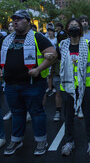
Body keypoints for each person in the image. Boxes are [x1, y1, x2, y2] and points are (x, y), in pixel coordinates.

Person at [0, 10, 57, 156]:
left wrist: (38, 69)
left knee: (37, 113)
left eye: (19, 19)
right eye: (13, 19)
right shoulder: (7, 39)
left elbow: (53, 54)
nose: (15, 21)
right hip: (11, 84)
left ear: (28, 21)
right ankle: (17, 140)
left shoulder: (37, 36)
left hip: (32, 84)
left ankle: (41, 140)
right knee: (17, 113)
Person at [58, 18, 90, 156]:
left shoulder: (87, 44)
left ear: (80, 29)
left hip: (86, 86)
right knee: (68, 116)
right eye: (71, 25)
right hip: (67, 86)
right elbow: (55, 57)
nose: (73, 27)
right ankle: (69, 142)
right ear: (67, 29)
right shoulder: (62, 45)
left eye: (76, 26)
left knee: (88, 115)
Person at [51, 30, 67, 122]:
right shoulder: (56, 49)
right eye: (60, 39)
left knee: (69, 94)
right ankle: (58, 111)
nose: (62, 40)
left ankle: (71, 111)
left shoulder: (70, 48)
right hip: (58, 75)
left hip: (68, 75)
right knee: (58, 94)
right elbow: (52, 64)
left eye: (64, 38)